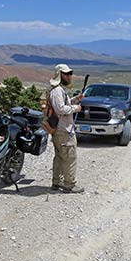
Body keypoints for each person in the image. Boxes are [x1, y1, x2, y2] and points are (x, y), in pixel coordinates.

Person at [48, 64, 83, 193]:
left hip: (60, 129)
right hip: (63, 130)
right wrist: (76, 108)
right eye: (67, 73)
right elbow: (60, 109)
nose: (69, 76)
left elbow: (64, 104)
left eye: (70, 73)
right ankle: (69, 184)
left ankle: (56, 182)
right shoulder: (57, 90)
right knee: (70, 157)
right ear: (60, 75)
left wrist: (75, 100)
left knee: (60, 156)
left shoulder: (59, 90)